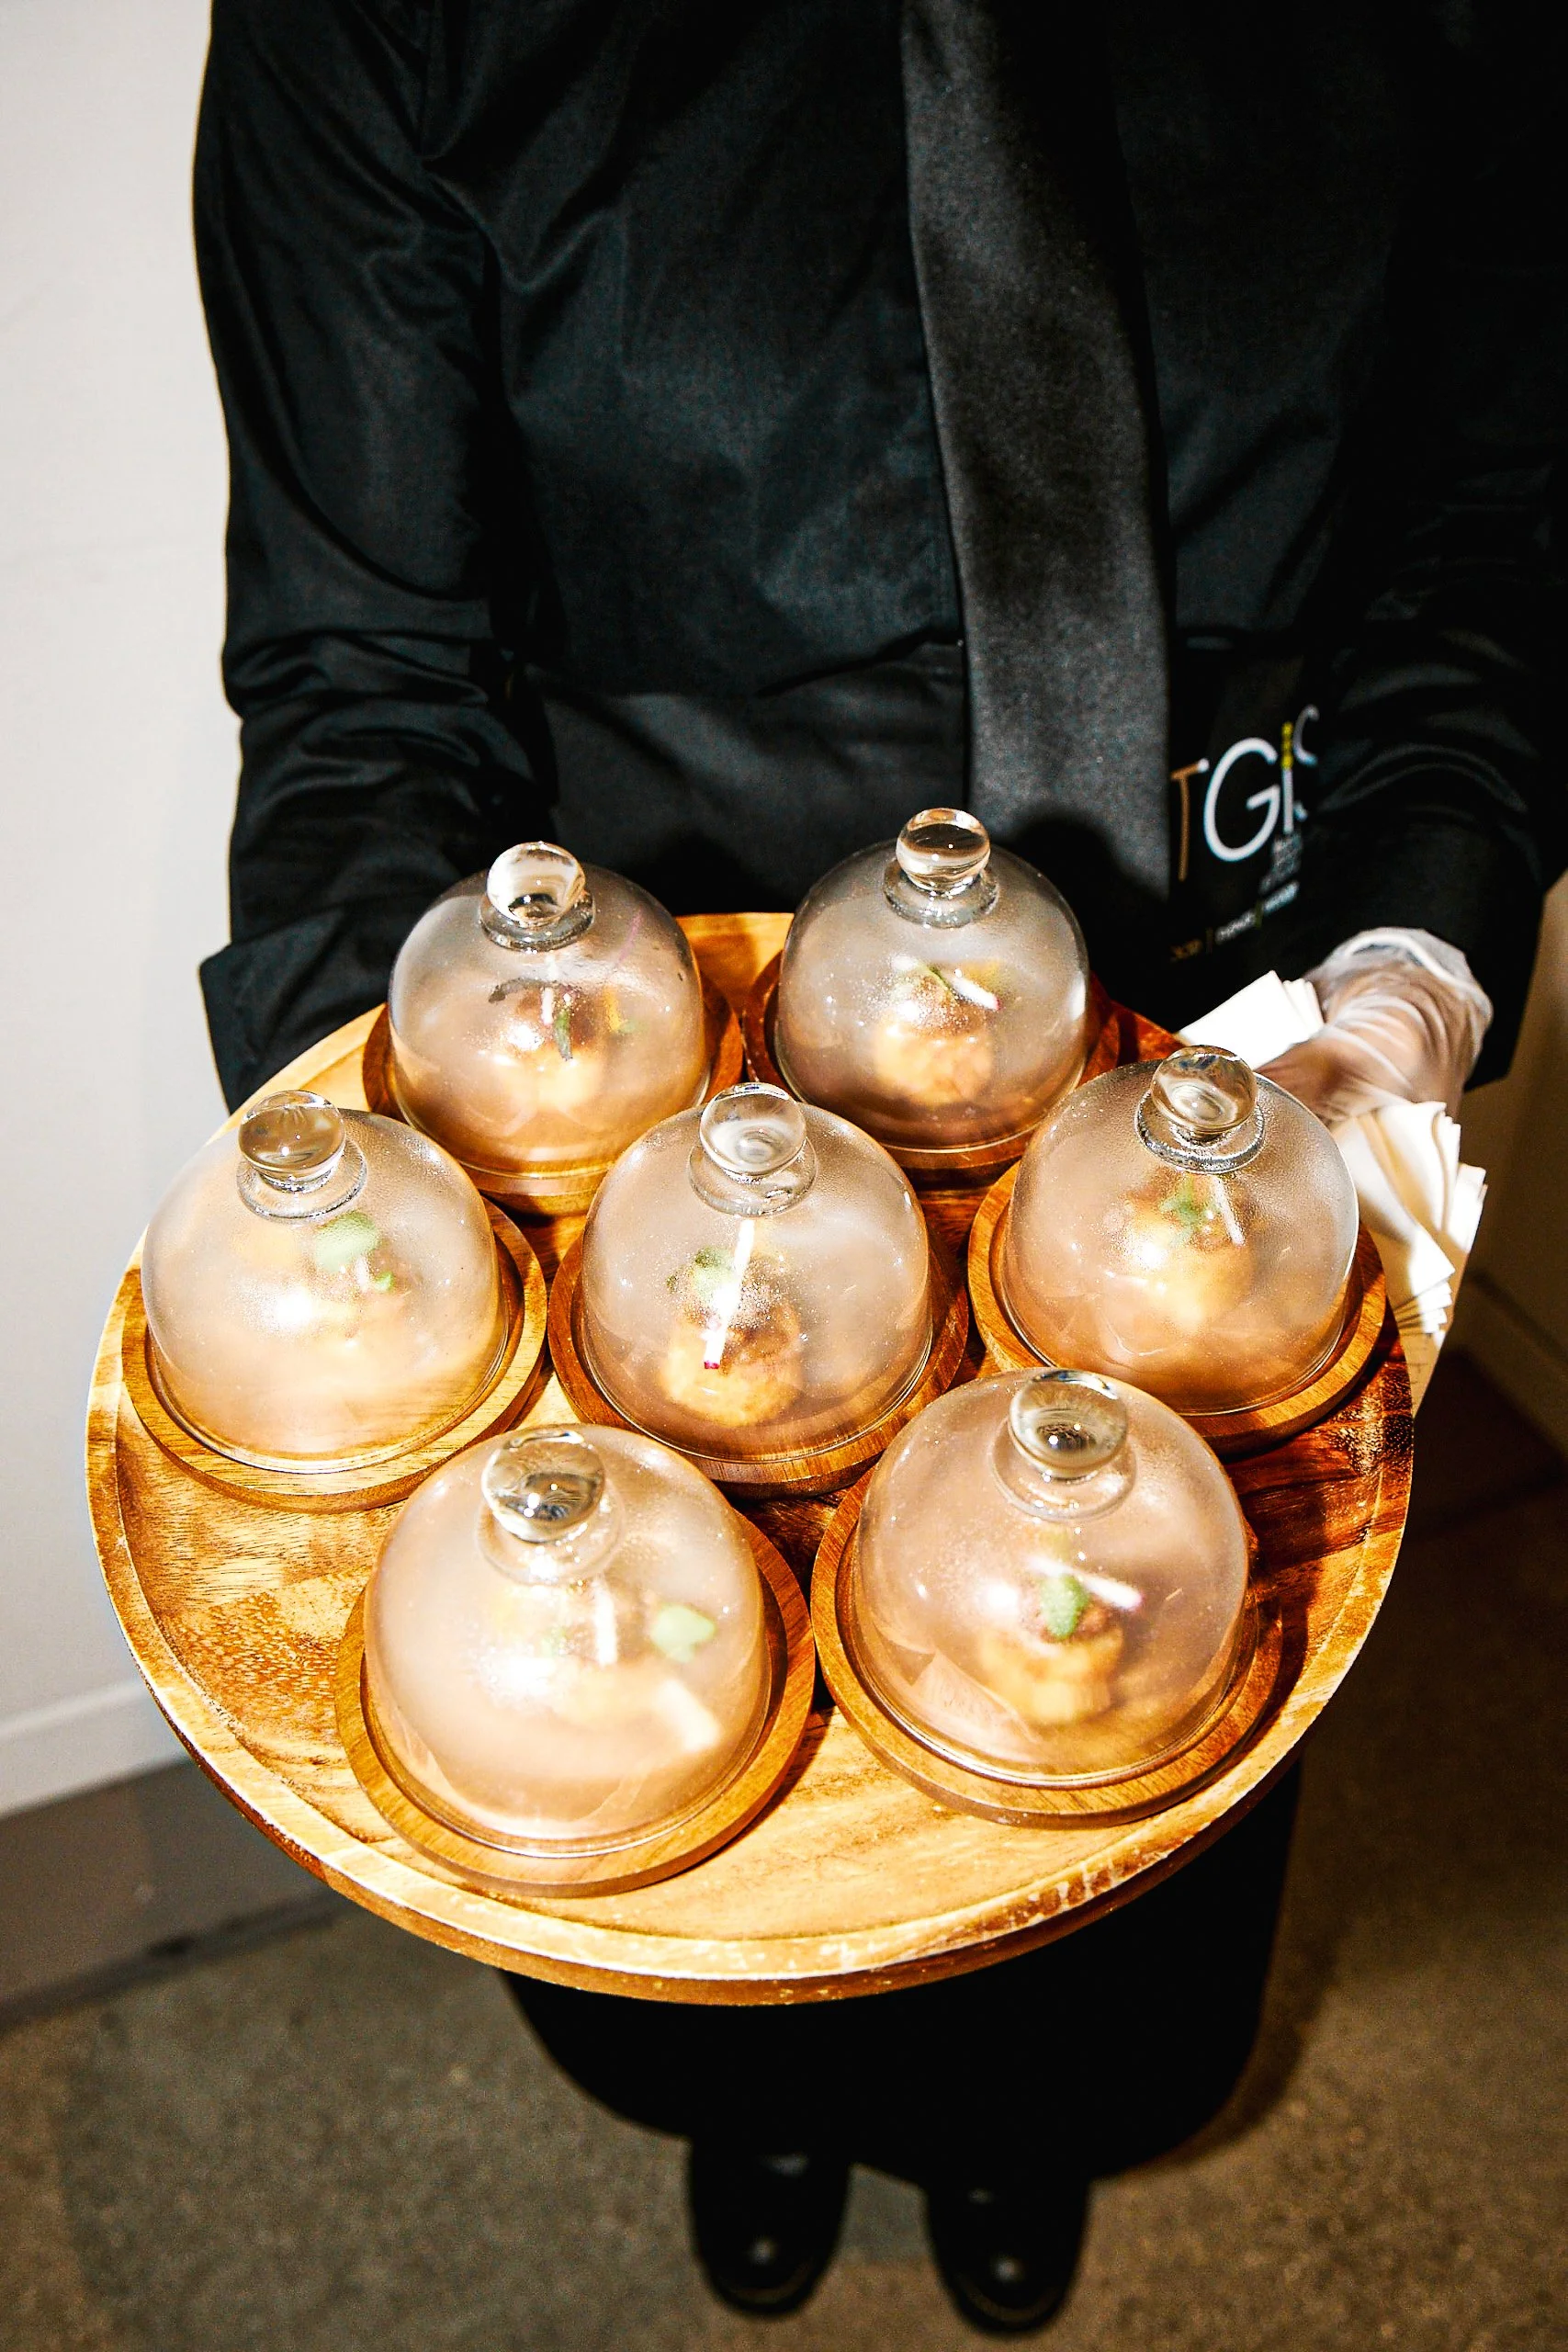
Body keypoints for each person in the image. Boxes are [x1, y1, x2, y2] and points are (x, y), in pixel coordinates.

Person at [193, 0, 1564, 2331]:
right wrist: (374, 1199)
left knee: (1113, 1728)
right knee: (659, 1711)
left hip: (1198, 1131)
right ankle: (755, 2094)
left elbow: (1495, 529)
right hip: (640, 1168)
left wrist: (1399, 991)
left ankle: (1022, 2125)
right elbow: (365, 673)